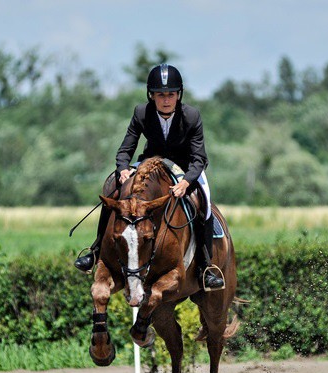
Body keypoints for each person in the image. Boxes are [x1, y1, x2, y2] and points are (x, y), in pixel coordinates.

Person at [74, 64, 225, 290]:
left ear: (178, 95)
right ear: (151, 95)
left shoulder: (191, 116)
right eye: (160, 95)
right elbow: (125, 149)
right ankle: (96, 251)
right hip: (150, 163)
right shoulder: (142, 112)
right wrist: (123, 168)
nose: (166, 100)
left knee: (203, 198)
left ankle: (205, 266)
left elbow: (199, 158)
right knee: (112, 189)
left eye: (171, 94)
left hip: (185, 167)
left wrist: (186, 182)